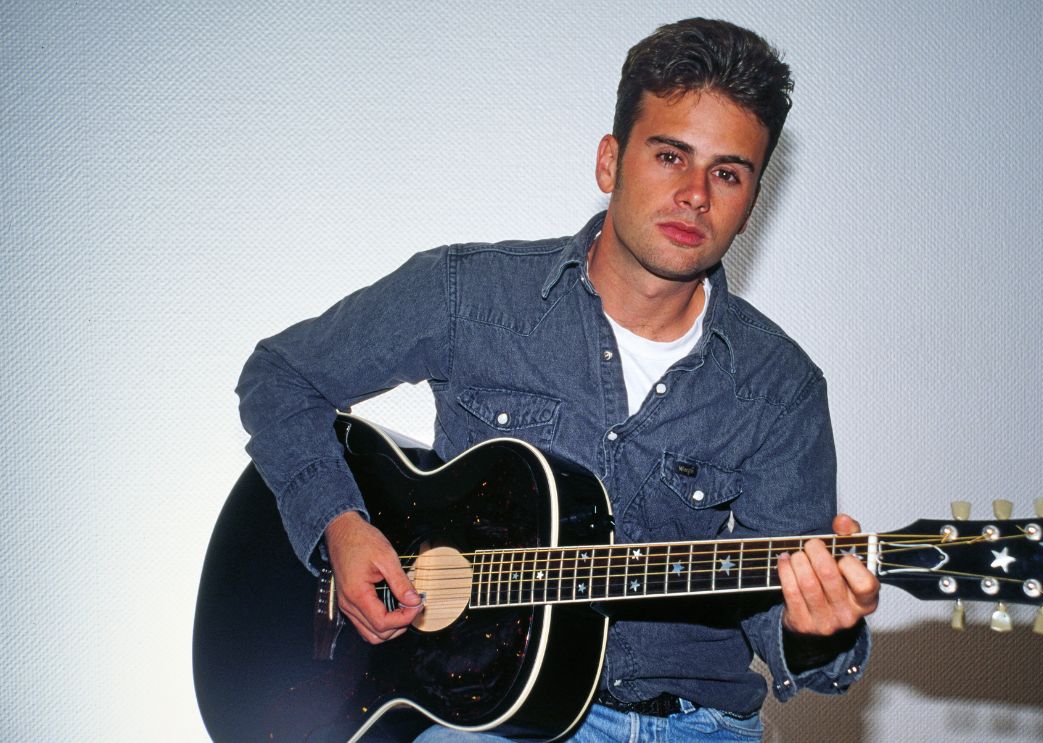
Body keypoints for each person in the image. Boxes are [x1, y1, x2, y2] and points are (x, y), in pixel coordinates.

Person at [237, 17, 879, 742]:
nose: (696, 193)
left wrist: (813, 628)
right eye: (670, 155)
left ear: (750, 199)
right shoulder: (468, 296)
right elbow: (280, 376)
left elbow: (778, 606)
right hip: (481, 714)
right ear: (610, 162)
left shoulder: (780, 386)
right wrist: (339, 526)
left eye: (727, 172)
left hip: (696, 725)